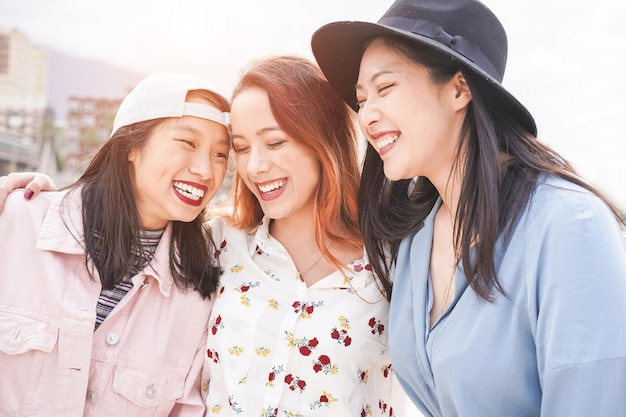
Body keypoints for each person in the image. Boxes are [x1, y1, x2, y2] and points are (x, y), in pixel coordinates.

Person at [0, 57, 416, 417]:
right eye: (240, 148)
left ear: (322, 142)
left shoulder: (396, 263)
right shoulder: (217, 245)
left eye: (274, 142)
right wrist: (30, 204)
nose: (254, 167)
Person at [310, 0, 626, 416]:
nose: (367, 114)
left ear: (460, 88)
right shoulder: (415, 239)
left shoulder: (567, 224)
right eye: (361, 98)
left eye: (385, 88)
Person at [0, 71, 231, 416]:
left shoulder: (200, 294)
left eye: (220, 155)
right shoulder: (16, 221)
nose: (205, 170)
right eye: (187, 142)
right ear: (131, 146)